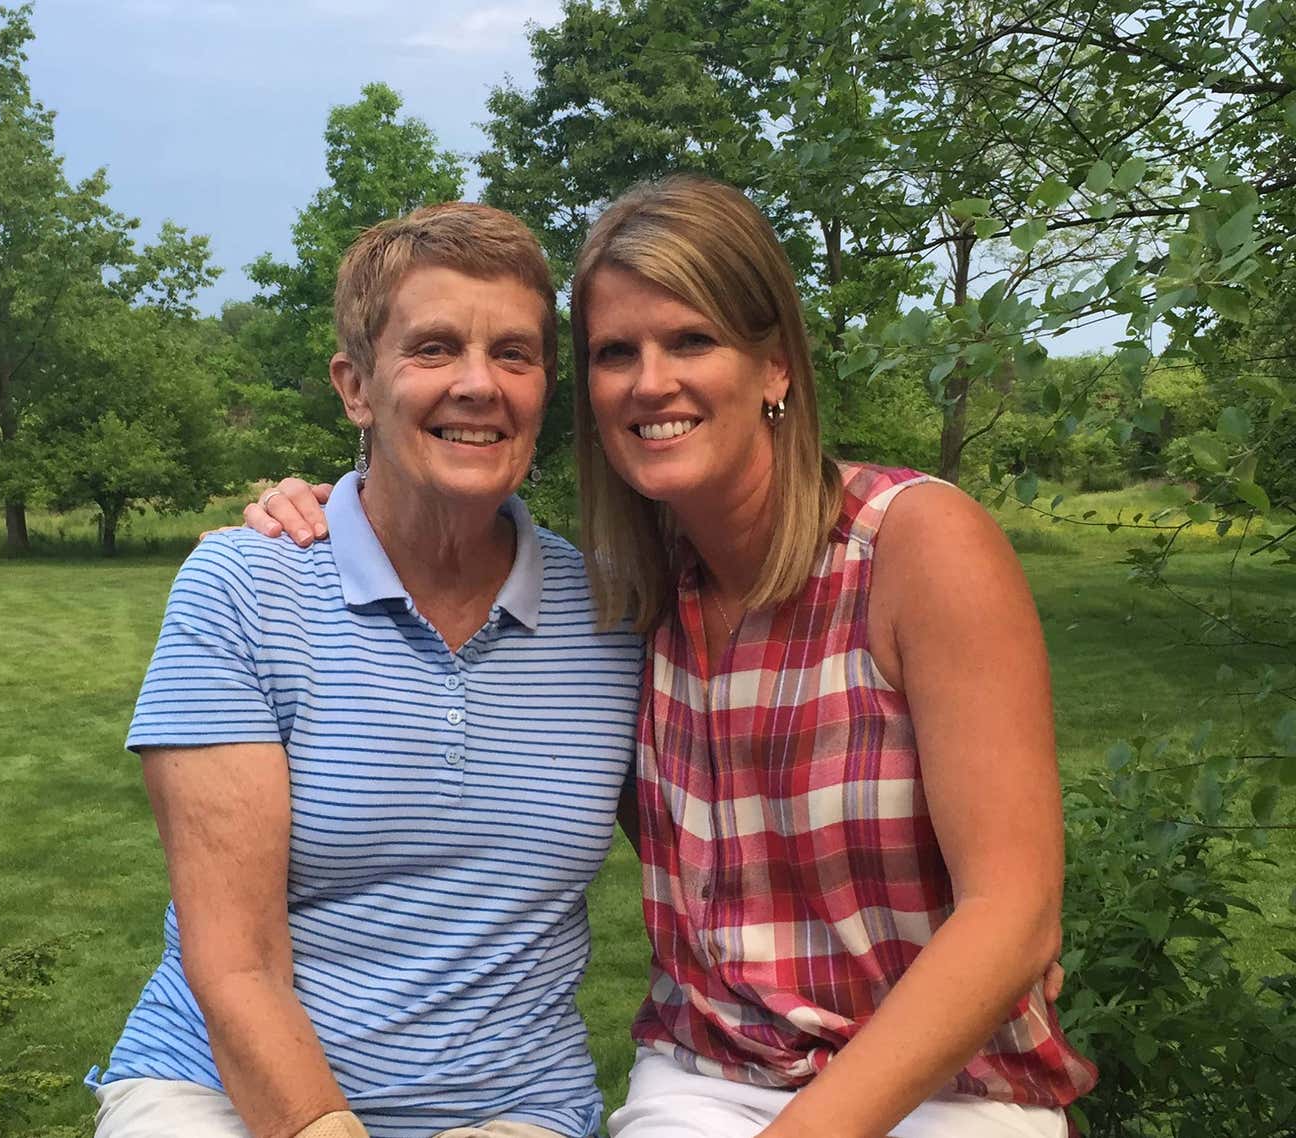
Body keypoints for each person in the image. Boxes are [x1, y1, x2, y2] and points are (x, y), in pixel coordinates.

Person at [247, 176, 1094, 1138]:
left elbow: (1016, 914)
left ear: (775, 366)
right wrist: (332, 510)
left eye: (691, 339)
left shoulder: (914, 545)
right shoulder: (631, 602)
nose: (651, 381)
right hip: (709, 1074)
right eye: (616, 353)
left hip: (944, 1083)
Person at [87, 202, 644, 1138]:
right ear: (356, 385)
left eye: (515, 354)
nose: (480, 385)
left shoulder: (611, 619)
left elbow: (719, 861)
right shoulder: (244, 589)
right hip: (224, 1090)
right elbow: (237, 964)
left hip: (513, 1107)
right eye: (433, 349)